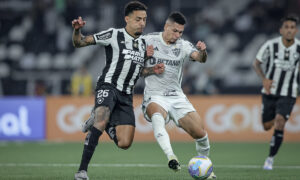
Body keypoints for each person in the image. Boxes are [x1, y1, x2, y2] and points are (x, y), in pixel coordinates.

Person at [72, 1, 164, 180]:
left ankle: (100, 120)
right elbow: (80, 43)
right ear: (127, 19)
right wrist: (77, 30)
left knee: (124, 143)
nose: (142, 23)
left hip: (126, 95)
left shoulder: (144, 45)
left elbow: (137, 71)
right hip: (108, 86)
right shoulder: (114, 34)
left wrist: (152, 70)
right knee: (101, 118)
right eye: (138, 19)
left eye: (144, 19)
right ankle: (81, 171)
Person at [141, 12, 216, 179]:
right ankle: (171, 157)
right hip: (154, 95)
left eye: (180, 32)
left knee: (201, 134)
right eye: (175, 31)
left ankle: (204, 166)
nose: (177, 35)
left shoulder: (183, 45)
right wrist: (145, 57)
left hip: (177, 96)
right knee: (157, 116)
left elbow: (200, 58)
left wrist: (202, 51)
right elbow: (135, 70)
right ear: (166, 27)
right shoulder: (148, 41)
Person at [253, 15, 300, 170]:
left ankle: (270, 159)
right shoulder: (270, 45)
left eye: (292, 27)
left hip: (289, 92)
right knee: (267, 126)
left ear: (296, 30)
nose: (289, 30)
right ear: (281, 30)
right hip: (269, 91)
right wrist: (264, 79)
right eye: (286, 27)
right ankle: (274, 117)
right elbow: (256, 63)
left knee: (280, 122)